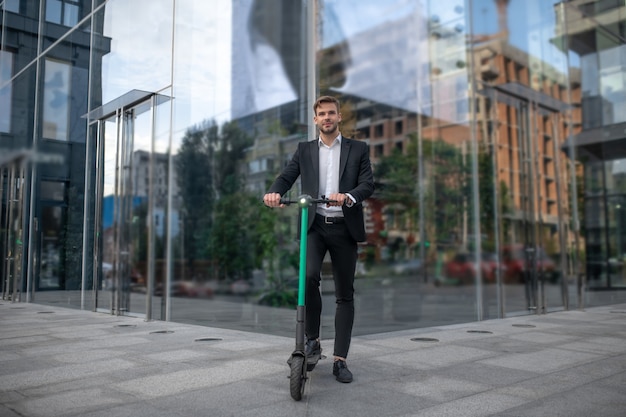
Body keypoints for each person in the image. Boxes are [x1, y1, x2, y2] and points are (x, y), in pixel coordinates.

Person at [263, 95, 374, 383]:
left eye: (331, 113)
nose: (327, 117)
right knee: (309, 277)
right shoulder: (304, 150)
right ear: (315, 120)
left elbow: (367, 184)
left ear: (339, 117)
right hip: (314, 226)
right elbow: (287, 176)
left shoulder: (358, 149)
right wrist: (274, 191)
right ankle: (312, 340)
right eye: (321, 113)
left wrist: (348, 196)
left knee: (344, 293)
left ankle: (340, 359)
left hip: (344, 227)